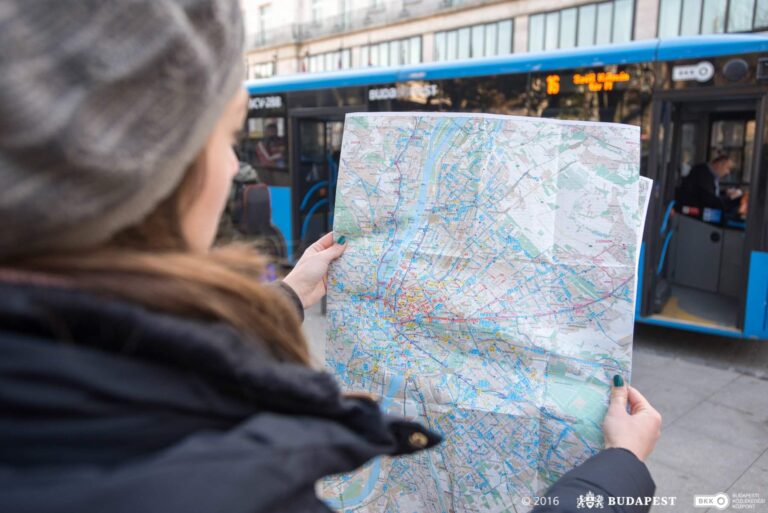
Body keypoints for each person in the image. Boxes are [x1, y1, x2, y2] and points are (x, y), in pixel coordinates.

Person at [0, 2, 661, 512]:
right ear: (154, 169)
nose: (233, 167)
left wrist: (289, 293)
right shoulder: (223, 479)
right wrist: (619, 473)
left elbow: (126, 355)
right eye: (228, 136)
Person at [675, 155, 742, 218]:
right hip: (692, 213)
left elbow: (711, 194)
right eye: (727, 168)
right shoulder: (703, 173)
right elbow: (709, 199)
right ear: (719, 164)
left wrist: (725, 193)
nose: (728, 172)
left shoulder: (709, 174)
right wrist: (730, 198)